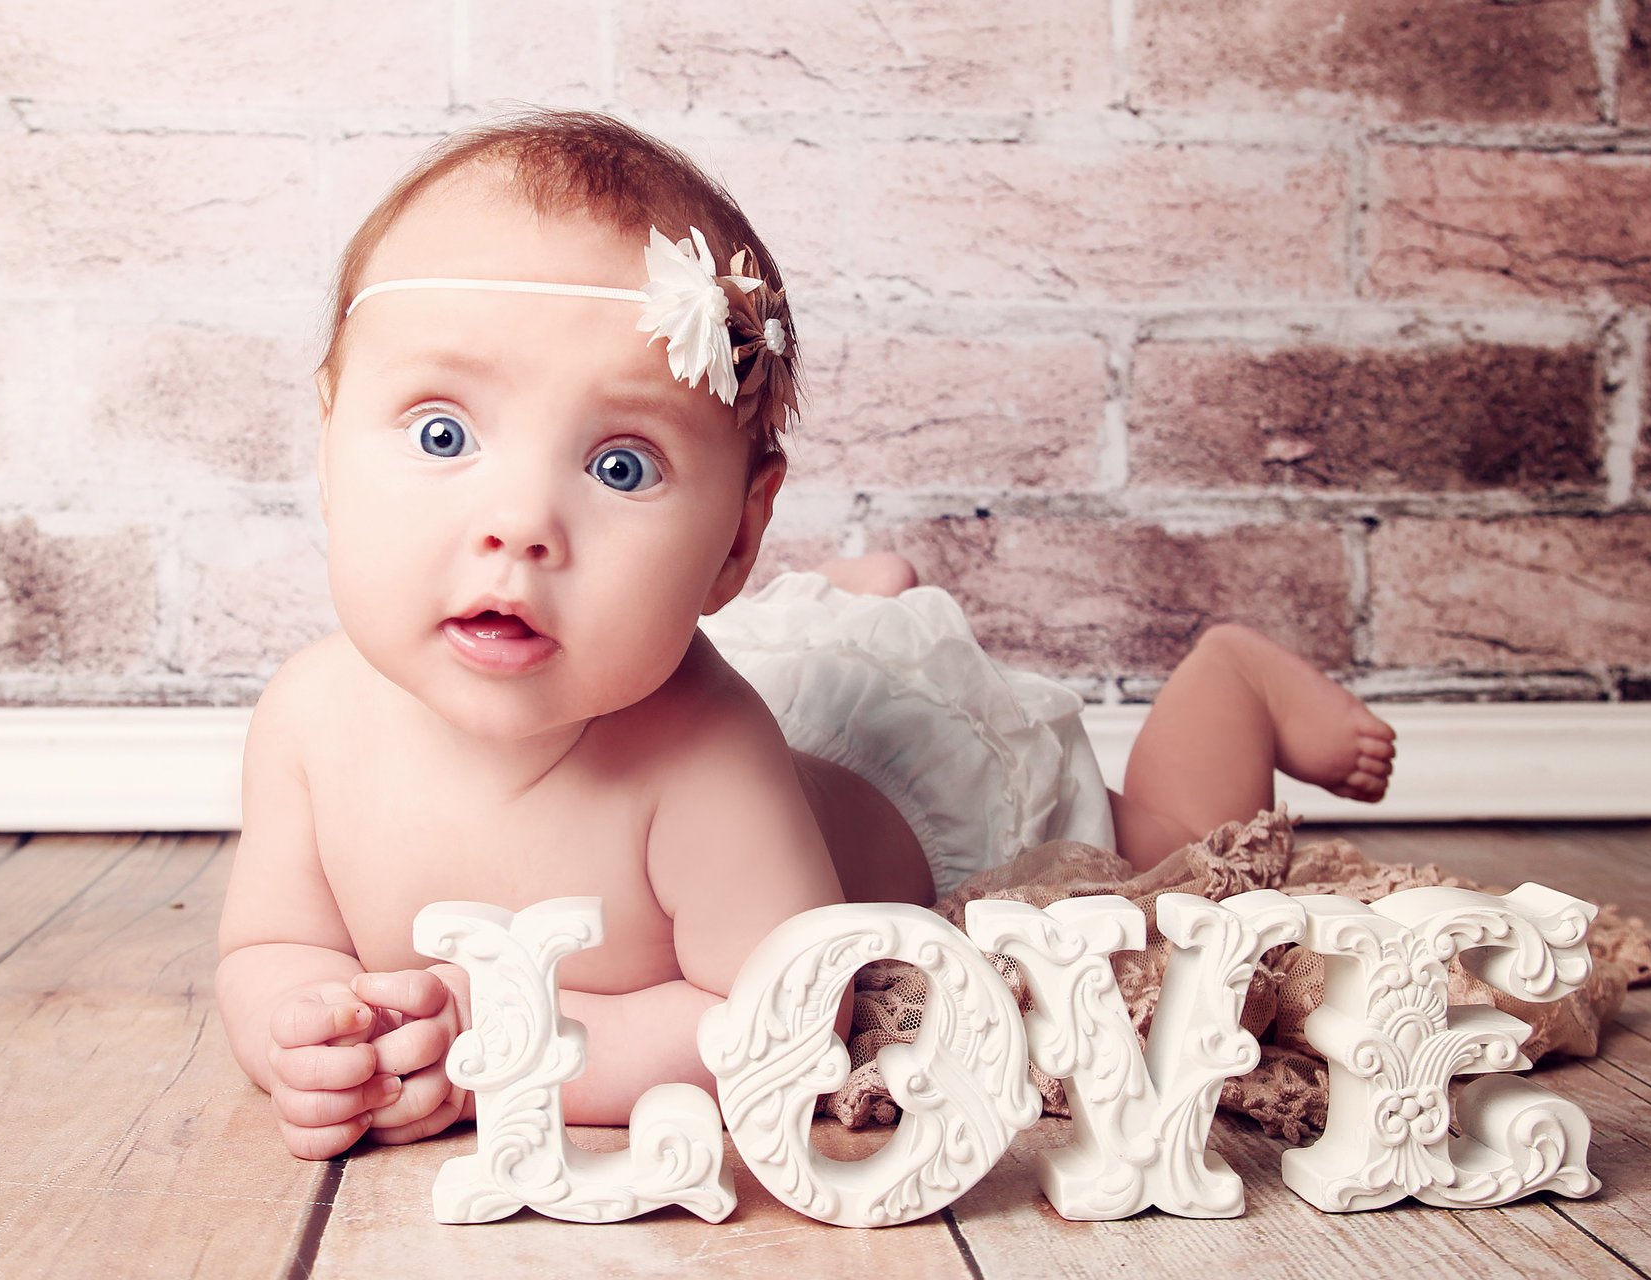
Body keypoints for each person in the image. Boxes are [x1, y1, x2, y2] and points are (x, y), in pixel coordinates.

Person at [215, 109, 1396, 1161]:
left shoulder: (701, 755)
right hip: (789, 708)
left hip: (941, 817)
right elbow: (271, 945)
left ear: (737, 535)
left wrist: (509, 1046)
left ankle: (1228, 679)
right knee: (798, 657)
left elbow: (787, 1011)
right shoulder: (312, 719)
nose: (519, 525)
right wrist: (308, 1035)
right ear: (323, 447)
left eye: (621, 464)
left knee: (1159, 858)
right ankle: (861, 594)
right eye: (440, 436)